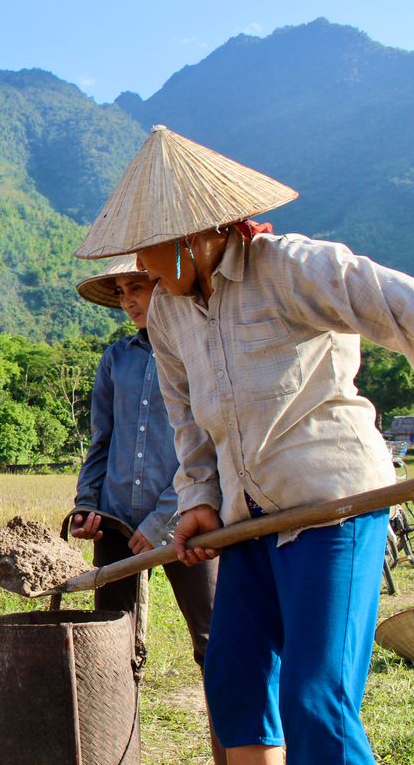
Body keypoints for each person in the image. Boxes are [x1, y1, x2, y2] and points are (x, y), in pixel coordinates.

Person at [75, 124, 414, 765]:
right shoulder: (172, 313)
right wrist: (199, 499)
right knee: (234, 681)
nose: (140, 269)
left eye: (148, 251)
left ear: (199, 232)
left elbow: (401, 307)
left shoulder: (291, 268)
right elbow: (189, 424)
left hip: (331, 508)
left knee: (314, 696)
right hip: (247, 521)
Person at [71, 254, 224, 765]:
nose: (130, 300)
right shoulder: (117, 358)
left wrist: (163, 521)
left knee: (213, 643)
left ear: (165, 283)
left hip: (189, 520)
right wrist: (87, 504)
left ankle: (231, 750)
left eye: (139, 286)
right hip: (116, 521)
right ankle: (118, 750)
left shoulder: (195, 345)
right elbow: (102, 440)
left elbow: (203, 441)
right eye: (121, 292)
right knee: (111, 643)